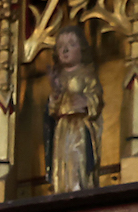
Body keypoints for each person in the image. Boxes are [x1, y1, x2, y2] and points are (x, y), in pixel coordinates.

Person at [44, 26, 102, 193]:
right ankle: (63, 187)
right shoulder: (58, 77)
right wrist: (55, 93)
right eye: (61, 46)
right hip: (63, 127)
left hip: (79, 127)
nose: (65, 49)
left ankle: (79, 185)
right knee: (62, 160)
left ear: (82, 49)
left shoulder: (86, 74)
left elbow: (96, 97)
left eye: (71, 44)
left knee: (77, 159)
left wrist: (86, 101)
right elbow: (52, 109)